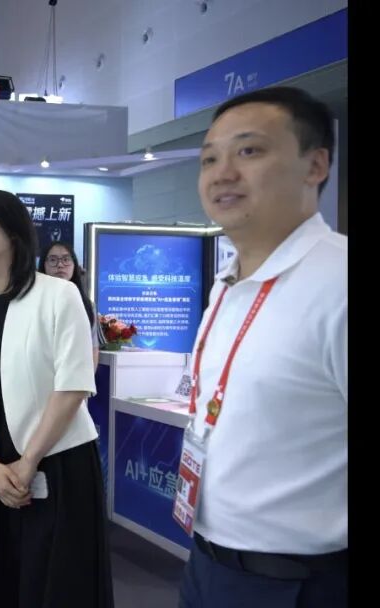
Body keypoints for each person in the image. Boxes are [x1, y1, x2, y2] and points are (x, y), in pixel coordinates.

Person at [176, 87, 346, 607]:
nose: (222, 173)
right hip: (207, 562)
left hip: (298, 582)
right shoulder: (227, 282)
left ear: (316, 165)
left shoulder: (338, 281)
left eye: (249, 151)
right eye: (209, 159)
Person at [0, 190, 112, 607]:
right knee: (5, 581)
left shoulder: (58, 295)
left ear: (12, 230)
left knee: (59, 586)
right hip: (0, 471)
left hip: (59, 464)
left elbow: (73, 385)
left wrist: (29, 461)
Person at [38, 241, 100, 366]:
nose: (60, 265)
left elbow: (93, 349)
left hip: (76, 372)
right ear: (43, 265)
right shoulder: (34, 301)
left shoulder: (87, 305)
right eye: (53, 260)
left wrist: (87, 376)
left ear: (74, 265)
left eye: (66, 259)